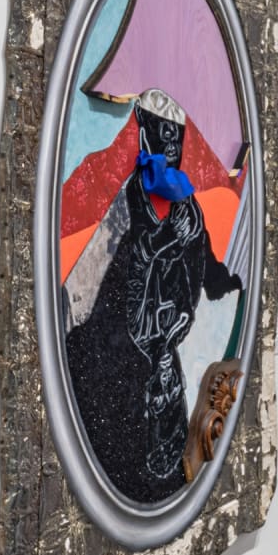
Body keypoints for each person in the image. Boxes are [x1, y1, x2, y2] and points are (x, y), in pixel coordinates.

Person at [65, 89, 242, 504]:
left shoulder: (189, 210)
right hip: (120, 368)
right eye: (162, 132)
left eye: (176, 135)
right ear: (144, 130)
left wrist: (234, 281)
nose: (170, 144)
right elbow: (102, 287)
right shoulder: (122, 207)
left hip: (161, 362)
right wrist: (163, 241)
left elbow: (211, 274)